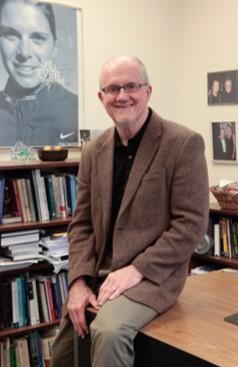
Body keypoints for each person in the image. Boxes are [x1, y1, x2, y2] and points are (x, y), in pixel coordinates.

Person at [52, 56, 209, 367]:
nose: (122, 95)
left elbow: (190, 225)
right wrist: (78, 281)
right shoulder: (92, 151)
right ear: (101, 97)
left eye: (131, 86)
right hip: (98, 273)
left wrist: (136, 269)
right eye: (112, 88)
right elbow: (81, 224)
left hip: (151, 277)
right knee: (63, 350)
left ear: (148, 91)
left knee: (108, 332)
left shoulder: (183, 143)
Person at [0, 0, 78, 147]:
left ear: (55, 46)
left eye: (38, 38)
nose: (24, 52)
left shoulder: (74, 110)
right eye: (11, 35)